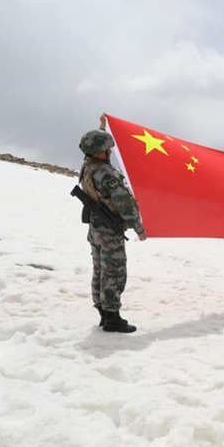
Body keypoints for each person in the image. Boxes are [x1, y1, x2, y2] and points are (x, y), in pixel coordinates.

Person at [78, 114, 147, 333]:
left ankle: (102, 311)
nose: (109, 152)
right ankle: (112, 318)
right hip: (109, 232)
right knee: (114, 273)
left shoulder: (88, 165)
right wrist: (139, 227)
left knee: (99, 270)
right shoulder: (107, 174)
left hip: (96, 229)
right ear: (99, 151)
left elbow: (93, 142)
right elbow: (124, 203)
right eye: (106, 148)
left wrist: (100, 127)